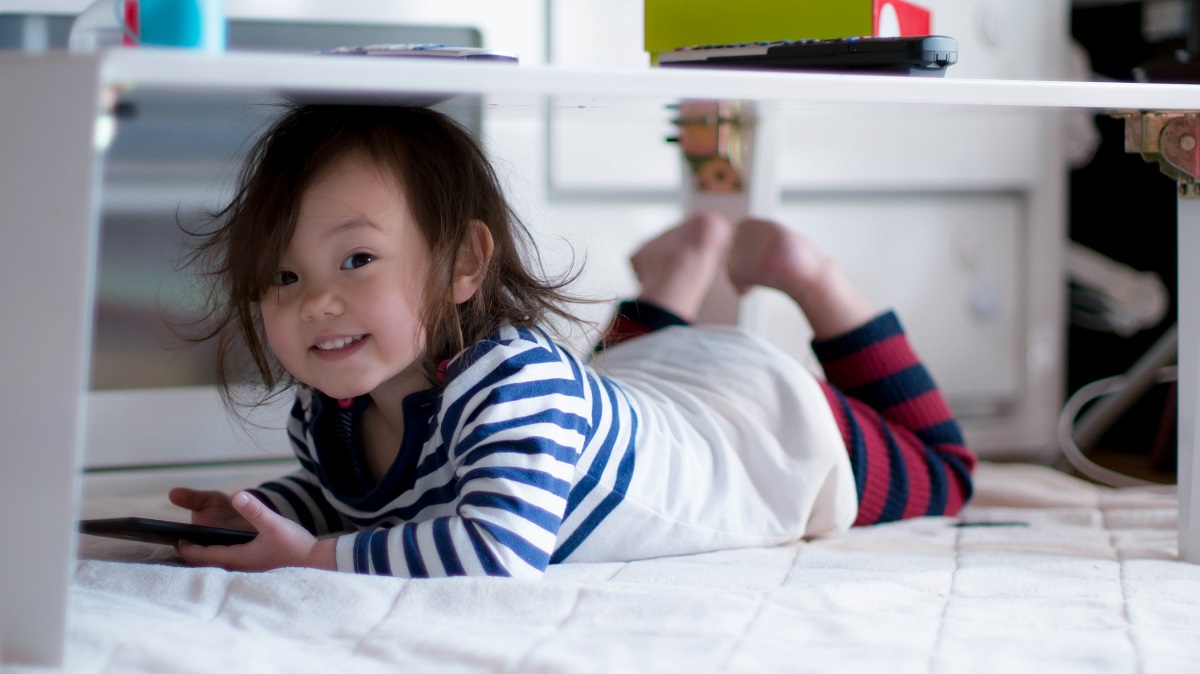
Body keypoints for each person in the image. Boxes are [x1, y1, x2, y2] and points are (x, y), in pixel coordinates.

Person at [169, 104, 976, 578]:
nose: (316, 302)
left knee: (945, 474)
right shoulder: (327, 414)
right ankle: (681, 273)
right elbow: (363, 502)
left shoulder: (512, 382)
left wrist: (310, 559)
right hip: (648, 384)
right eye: (283, 276)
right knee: (605, 387)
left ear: (463, 265)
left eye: (356, 260)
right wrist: (259, 512)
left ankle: (813, 278)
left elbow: (497, 550)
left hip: (757, 428)